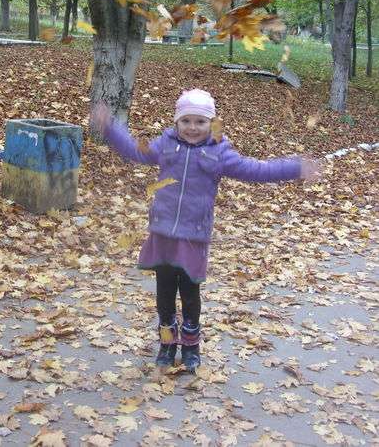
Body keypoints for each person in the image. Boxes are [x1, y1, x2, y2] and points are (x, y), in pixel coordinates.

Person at [90, 88, 321, 372]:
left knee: (189, 295)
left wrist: (295, 168)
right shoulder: (166, 145)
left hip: (193, 237)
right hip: (163, 234)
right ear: (177, 122)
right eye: (186, 121)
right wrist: (109, 128)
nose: (192, 128)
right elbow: (134, 151)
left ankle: (190, 346)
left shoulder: (219, 152)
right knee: (164, 297)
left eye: (200, 121)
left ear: (211, 123)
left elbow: (256, 170)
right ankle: (166, 343)